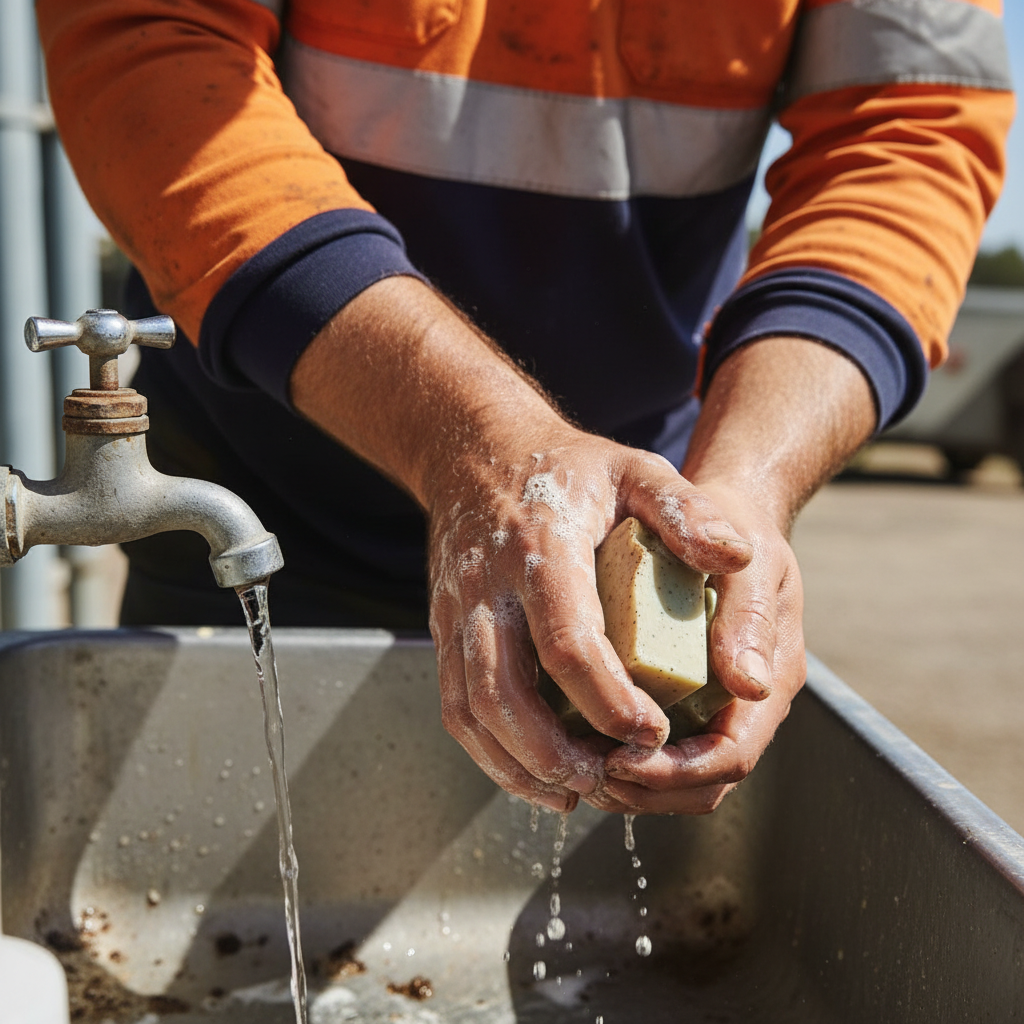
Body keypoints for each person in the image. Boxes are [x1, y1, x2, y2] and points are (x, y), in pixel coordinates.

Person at [37, 0, 1012, 816]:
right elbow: (147, 40)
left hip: (624, 552)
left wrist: (744, 491)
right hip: (260, 513)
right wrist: (475, 444)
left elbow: (908, 129)